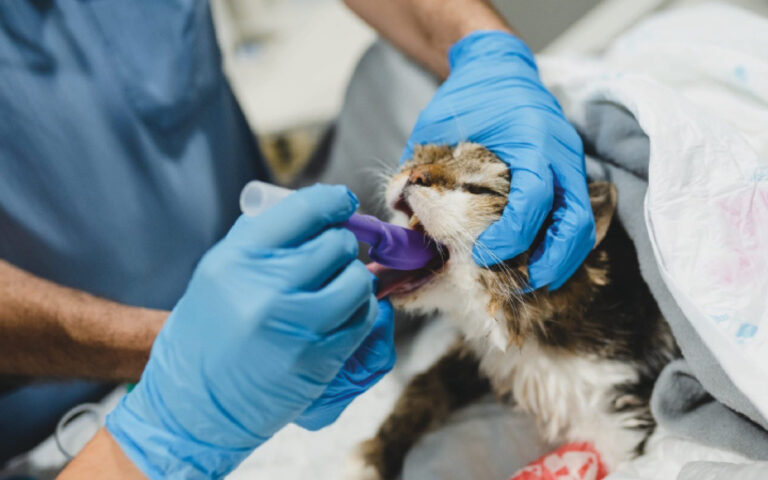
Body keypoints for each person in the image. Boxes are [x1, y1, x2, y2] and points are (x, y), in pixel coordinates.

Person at [0, 0, 594, 477]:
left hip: (280, 276)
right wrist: (180, 357)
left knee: (405, 75)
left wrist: (485, 47)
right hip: (57, 417)